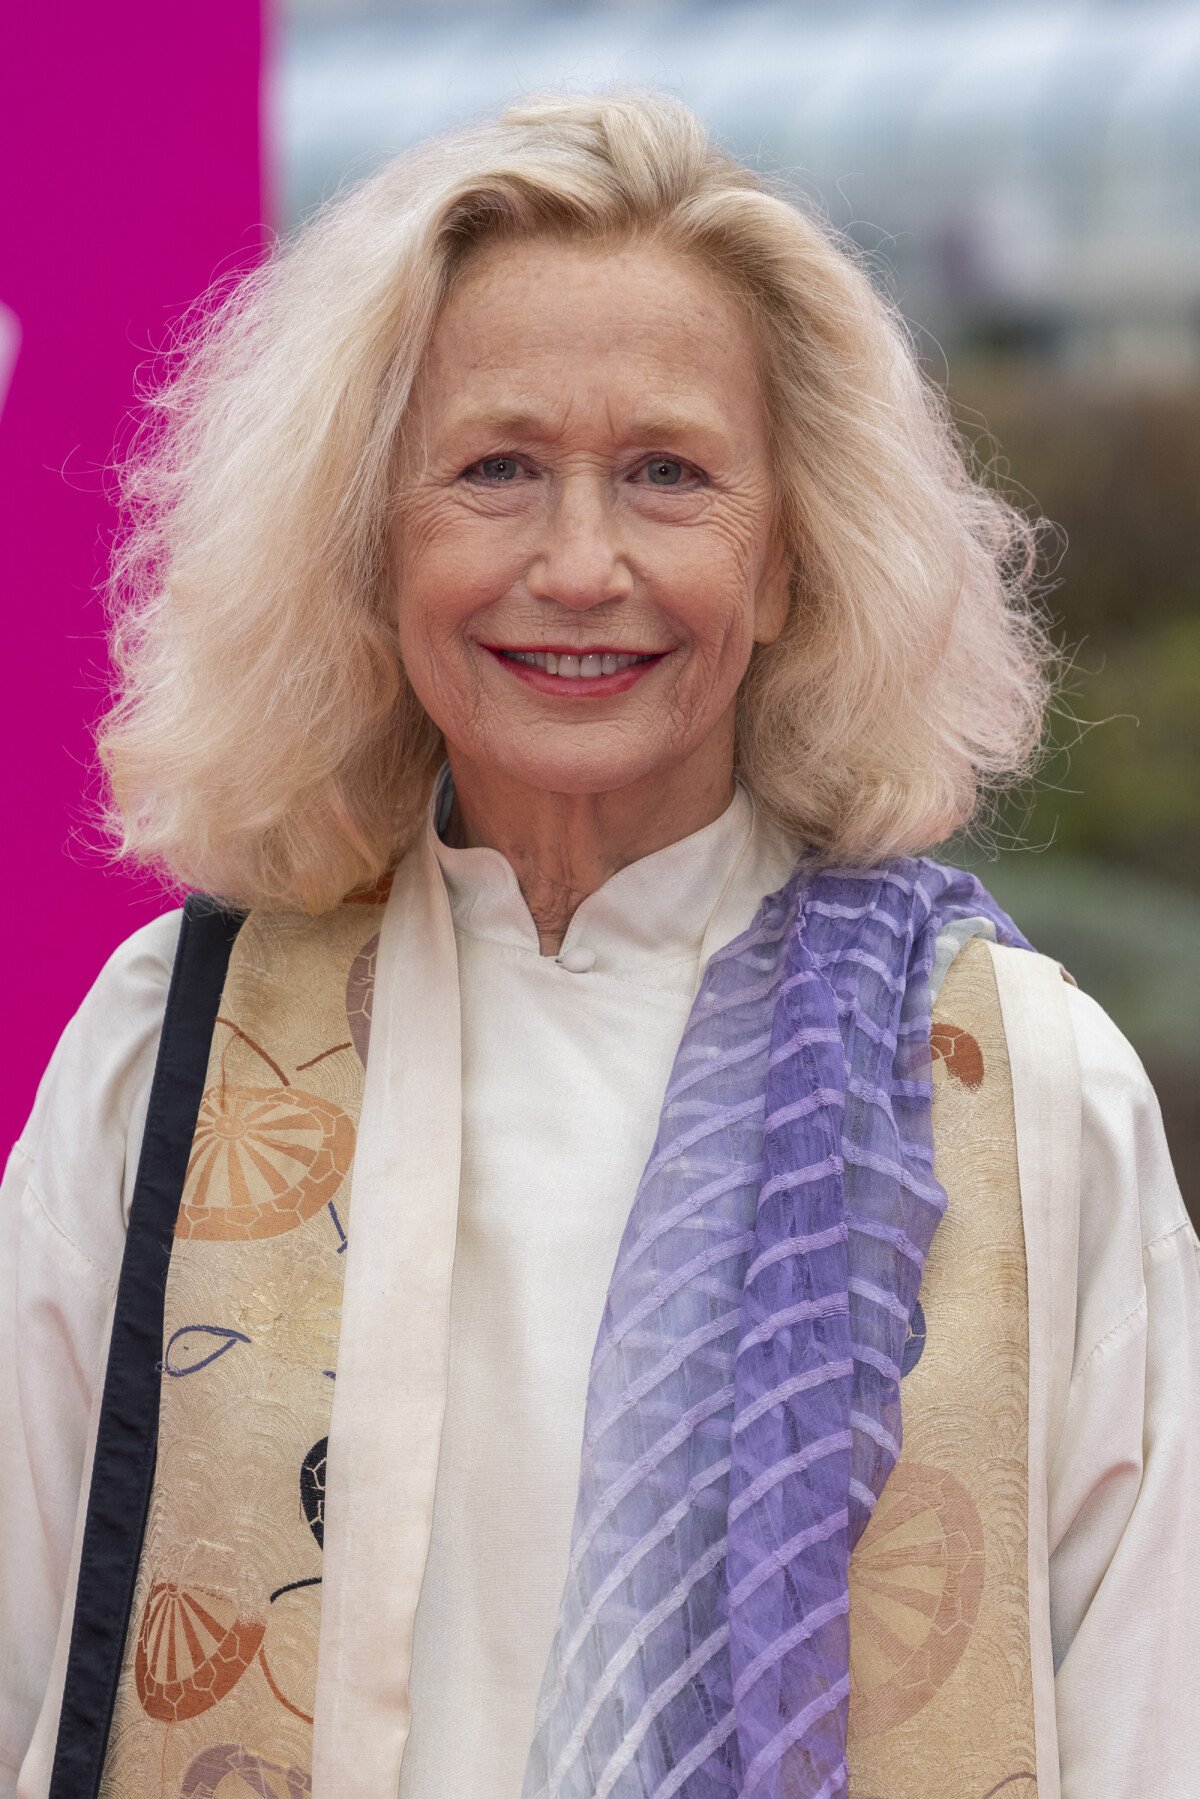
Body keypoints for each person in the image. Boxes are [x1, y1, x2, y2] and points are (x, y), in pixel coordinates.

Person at [1, 90, 1195, 1799]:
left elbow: (1161, 1713)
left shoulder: (1022, 1086)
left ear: (788, 559)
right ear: (370, 545)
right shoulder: (172, 1051)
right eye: (494, 471)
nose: (579, 564)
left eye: (668, 476)